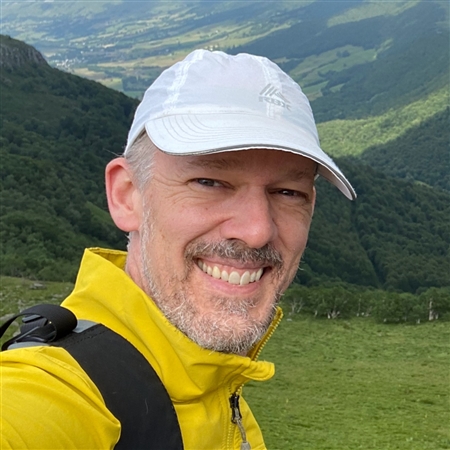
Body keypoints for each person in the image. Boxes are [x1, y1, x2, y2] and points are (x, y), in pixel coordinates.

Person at [0, 49, 355, 449]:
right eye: (209, 182)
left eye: (287, 192)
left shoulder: (215, 384)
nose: (257, 230)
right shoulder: (55, 394)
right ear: (127, 196)